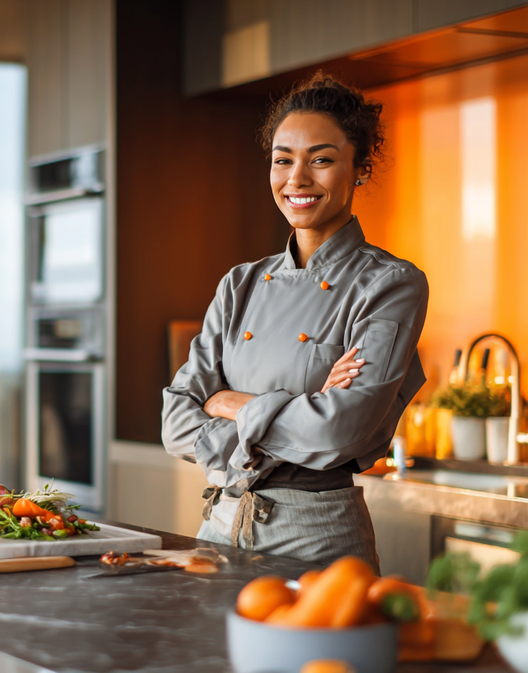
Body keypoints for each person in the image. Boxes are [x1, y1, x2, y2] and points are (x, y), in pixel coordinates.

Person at [160, 73, 429, 572]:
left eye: (321, 160)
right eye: (283, 160)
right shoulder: (239, 283)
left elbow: (338, 434)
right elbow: (175, 421)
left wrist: (229, 404)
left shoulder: (390, 285)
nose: (296, 179)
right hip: (218, 524)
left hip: (317, 535)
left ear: (361, 167)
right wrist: (301, 409)